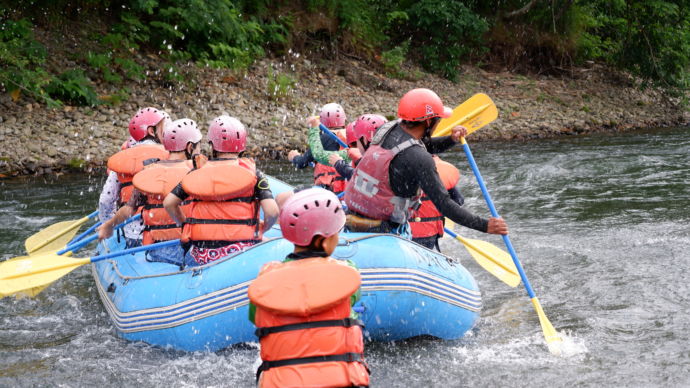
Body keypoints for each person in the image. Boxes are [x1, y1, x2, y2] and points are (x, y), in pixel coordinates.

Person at [343, 88, 508, 237]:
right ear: (429, 122)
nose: (439, 122)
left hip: (352, 215)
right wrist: (486, 226)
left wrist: (451, 139)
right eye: (438, 119)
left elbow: (416, 147)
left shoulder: (388, 129)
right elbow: (444, 204)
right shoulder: (420, 159)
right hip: (384, 230)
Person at [247, 188, 370, 388]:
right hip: (339, 382)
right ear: (323, 240)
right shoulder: (348, 272)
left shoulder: (265, 280)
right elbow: (350, 299)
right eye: (335, 234)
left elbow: (255, 318)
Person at [164, 115, 279, 266]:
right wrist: (261, 228)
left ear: (212, 145)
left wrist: (186, 224)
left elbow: (169, 203)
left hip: (203, 253)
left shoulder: (196, 172)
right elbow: (272, 212)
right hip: (241, 250)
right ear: (242, 145)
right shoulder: (254, 175)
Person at [97, 118, 202, 265]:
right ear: (190, 147)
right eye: (198, 147)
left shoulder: (147, 173)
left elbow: (128, 209)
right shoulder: (197, 172)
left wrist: (109, 225)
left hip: (158, 250)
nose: (199, 152)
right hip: (191, 248)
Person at [98, 107, 171, 248]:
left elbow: (105, 200)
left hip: (133, 235)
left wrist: (107, 224)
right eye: (163, 128)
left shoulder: (121, 161)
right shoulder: (171, 157)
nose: (166, 132)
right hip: (164, 233)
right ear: (151, 131)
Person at [288, 103, 350, 195]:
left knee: (292, 193)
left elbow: (302, 163)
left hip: (327, 190)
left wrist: (294, 157)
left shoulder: (324, 138)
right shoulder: (351, 137)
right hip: (346, 190)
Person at [409, 155, 464, 251]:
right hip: (430, 231)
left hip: (404, 231)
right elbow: (459, 201)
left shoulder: (400, 170)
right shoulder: (441, 173)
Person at [328, 114, 388, 181]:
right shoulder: (388, 158)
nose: (357, 146)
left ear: (364, 140)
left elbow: (362, 179)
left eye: (357, 140)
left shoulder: (376, 164)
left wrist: (339, 164)